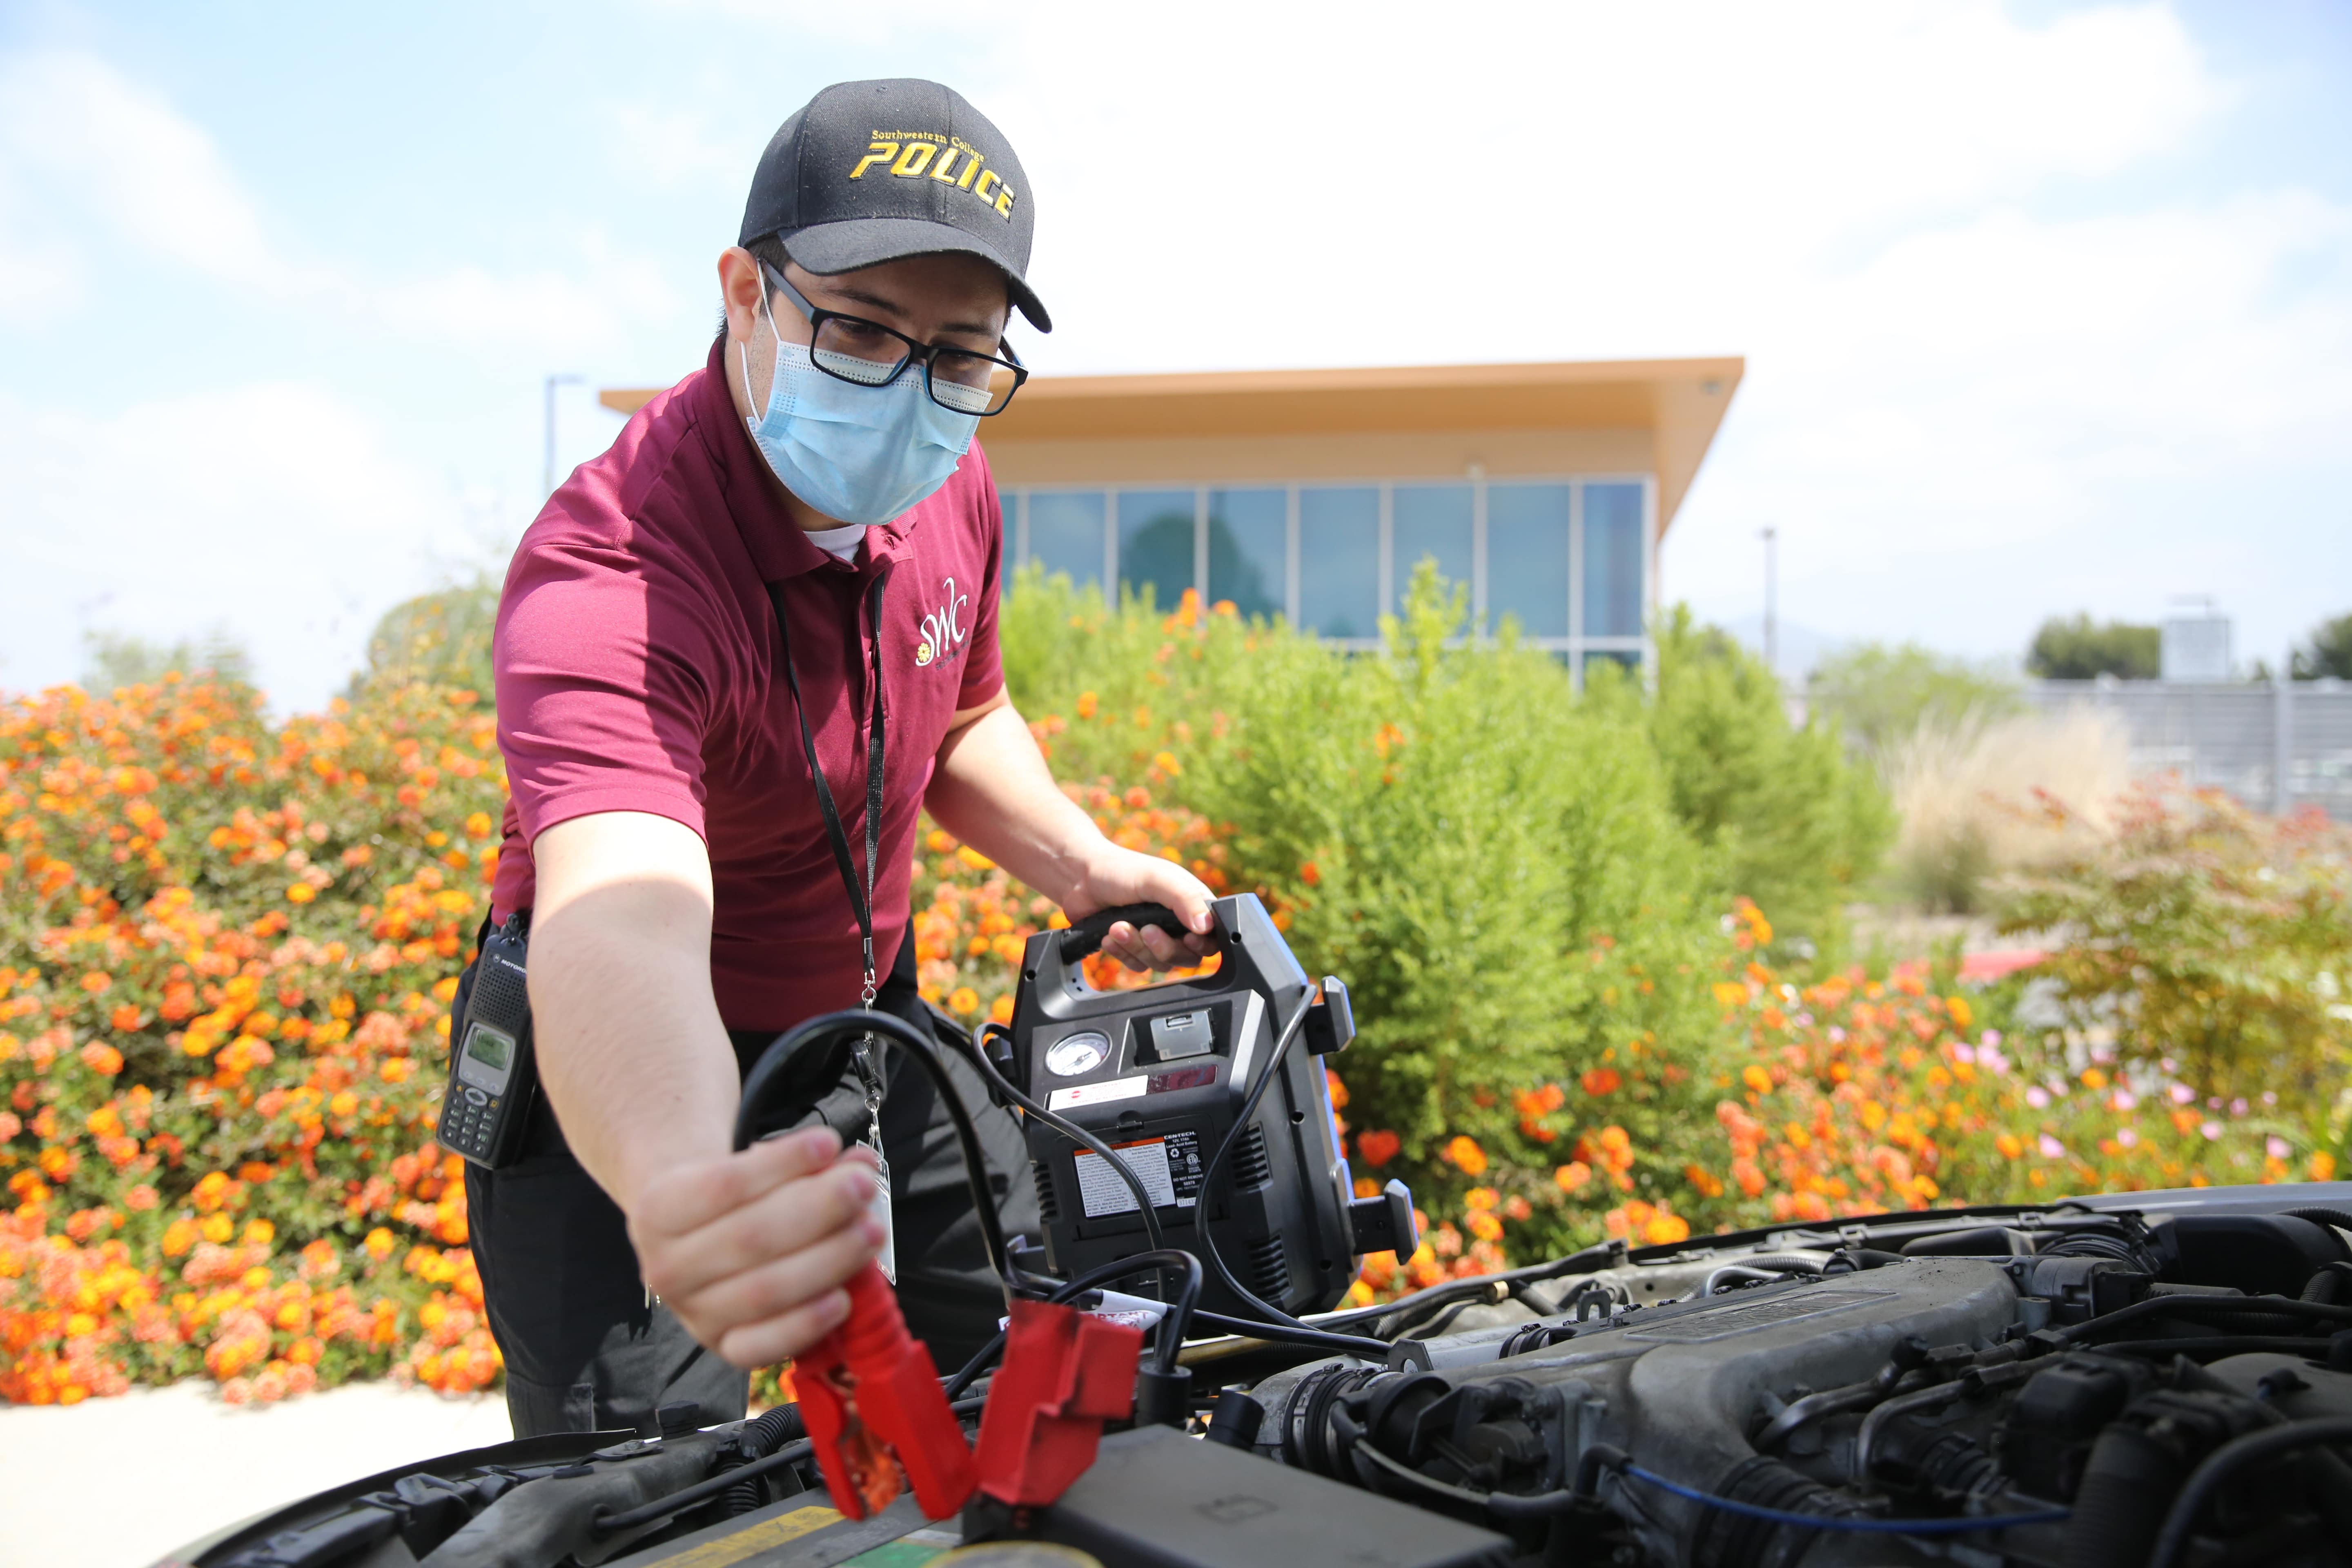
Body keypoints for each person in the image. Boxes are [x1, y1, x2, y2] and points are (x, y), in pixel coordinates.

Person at [466, 77, 1214, 1439]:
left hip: (869, 1018)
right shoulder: (614, 574)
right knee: (642, 1490)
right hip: (632, 1074)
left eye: (962, 355)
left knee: (1017, 1359)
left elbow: (969, 716)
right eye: (863, 330)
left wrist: (1082, 863)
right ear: (745, 292)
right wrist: (690, 1181)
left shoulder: (950, 481)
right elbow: (621, 912)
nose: (916, 393)